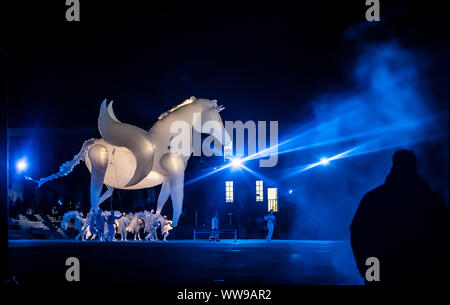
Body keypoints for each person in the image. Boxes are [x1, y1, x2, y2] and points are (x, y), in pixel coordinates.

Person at [350, 150, 449, 285]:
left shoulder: (374, 198)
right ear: (415, 166)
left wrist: (369, 271)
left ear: (393, 166)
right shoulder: (432, 200)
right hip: (422, 273)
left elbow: (359, 235)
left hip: (383, 271)